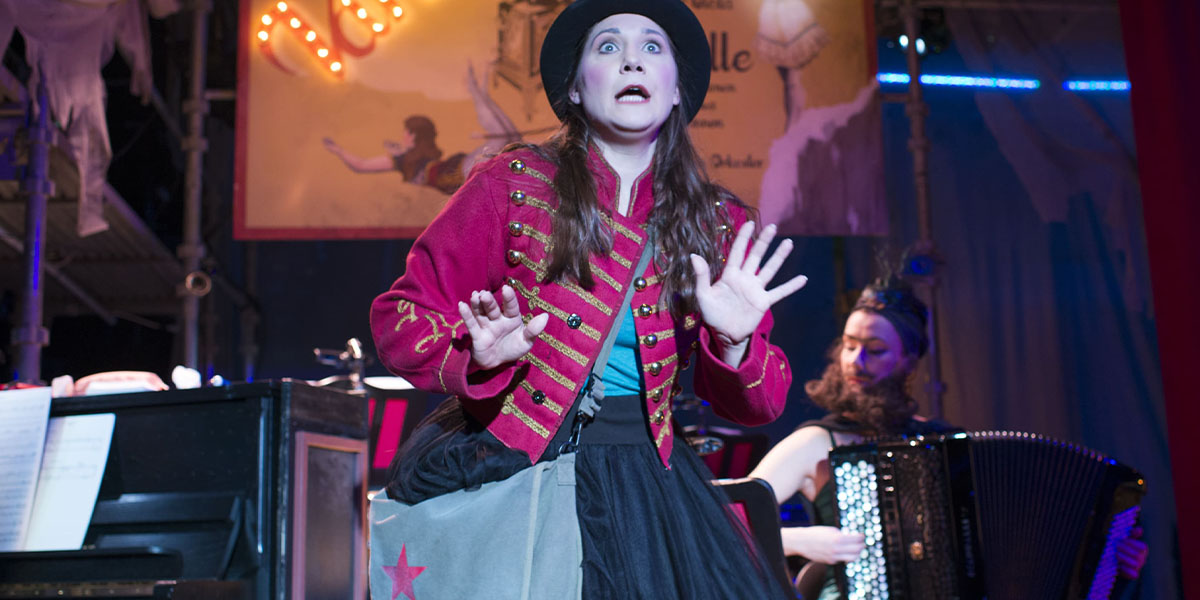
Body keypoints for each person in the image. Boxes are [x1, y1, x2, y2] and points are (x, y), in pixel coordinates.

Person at [369, 0, 808, 597]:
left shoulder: (717, 222)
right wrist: (477, 355)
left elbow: (761, 403)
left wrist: (734, 342)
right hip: (512, 464)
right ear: (575, 89)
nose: (632, 61)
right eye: (608, 47)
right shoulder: (511, 185)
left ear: (677, 91)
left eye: (652, 47)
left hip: (648, 488)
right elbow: (400, 317)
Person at [750, 276, 1150, 599]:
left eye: (875, 349)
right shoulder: (817, 443)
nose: (856, 361)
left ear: (908, 362)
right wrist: (798, 540)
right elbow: (727, 518)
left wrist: (1108, 556)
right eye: (849, 346)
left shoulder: (944, 442)